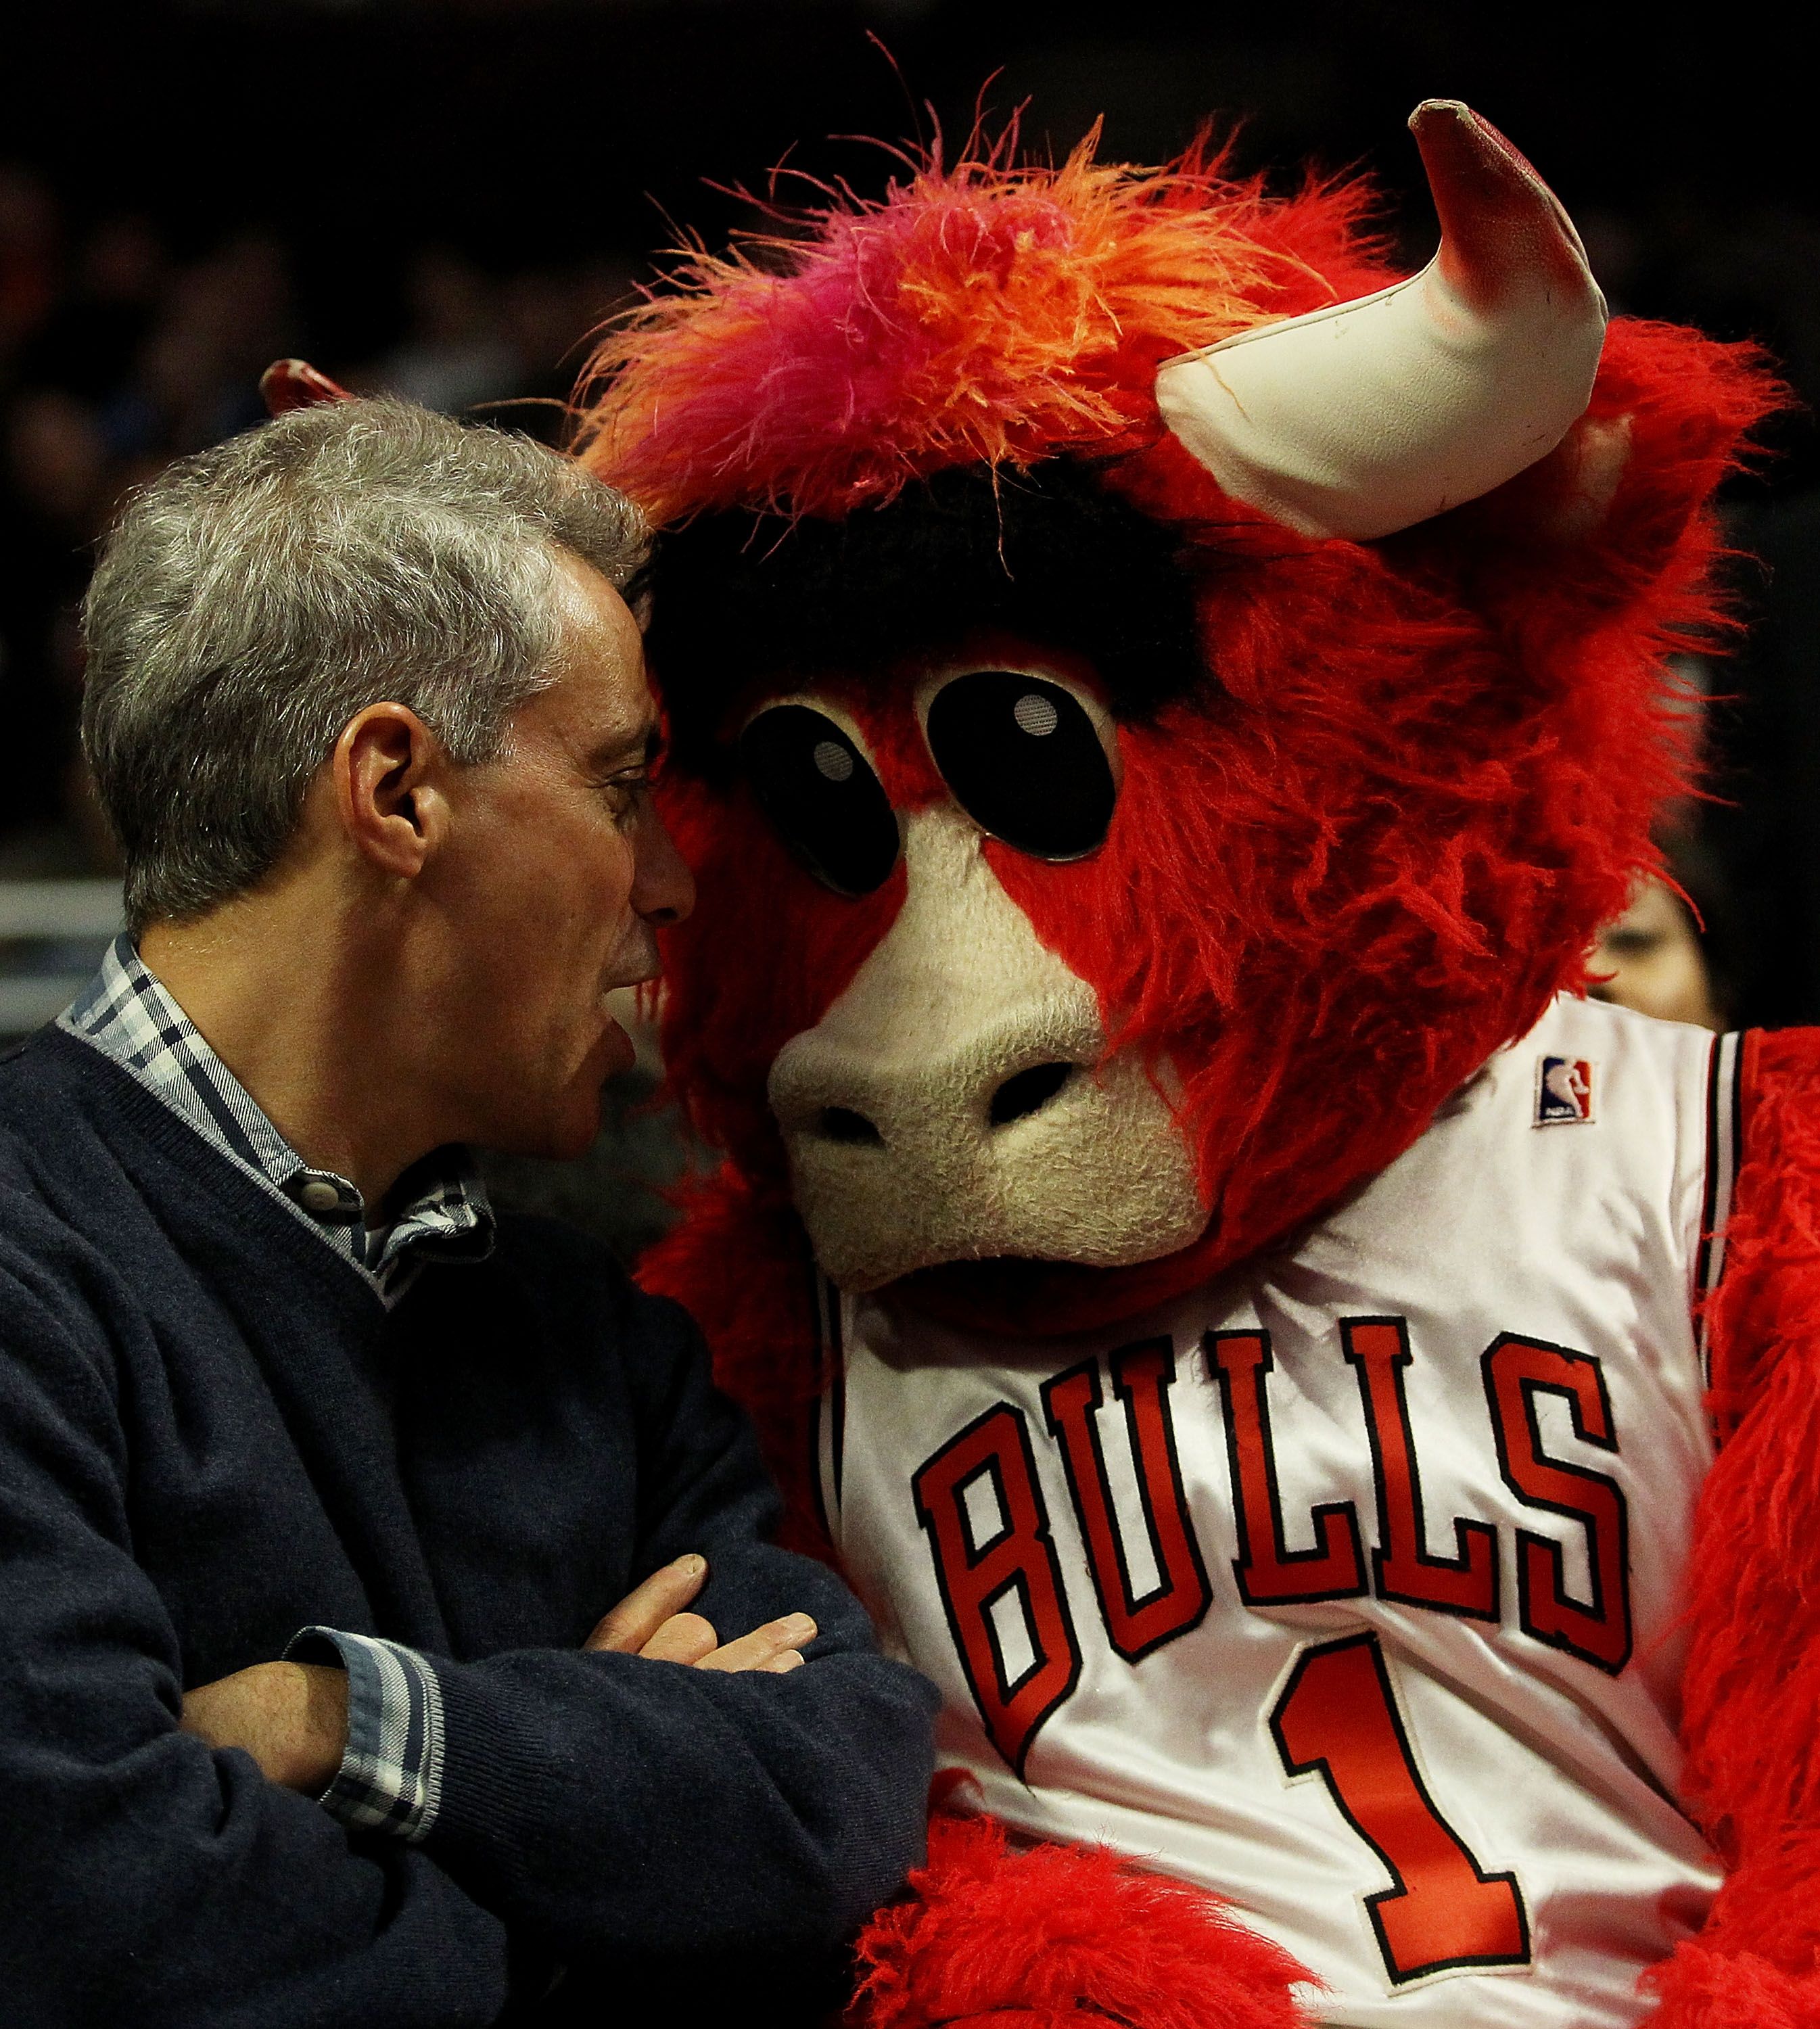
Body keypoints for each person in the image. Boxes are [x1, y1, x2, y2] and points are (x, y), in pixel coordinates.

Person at [0, 397, 938, 2026]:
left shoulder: (598, 1331)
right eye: (619, 782)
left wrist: (340, 1722)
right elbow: (99, 1925)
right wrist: (592, 1832)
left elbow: (837, 1806)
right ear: (396, 790)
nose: (672, 879)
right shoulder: (24, 1257)